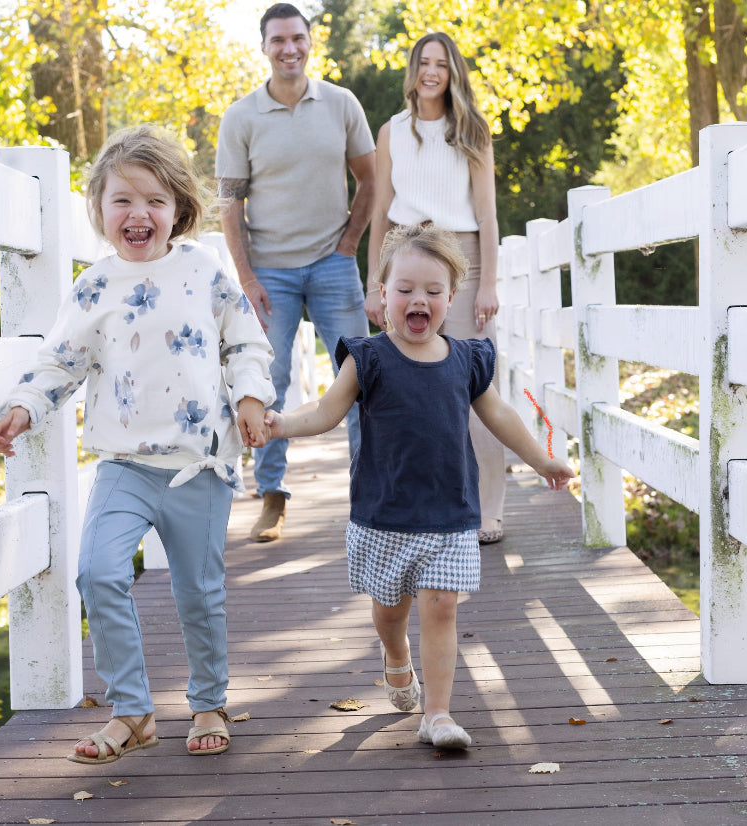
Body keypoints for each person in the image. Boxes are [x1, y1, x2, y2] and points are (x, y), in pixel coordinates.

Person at [0, 124, 275, 763]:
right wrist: (25, 405)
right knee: (98, 571)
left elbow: (245, 343)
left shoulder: (204, 271)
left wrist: (251, 398)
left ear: (178, 209)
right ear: (99, 208)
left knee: (199, 591)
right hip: (124, 465)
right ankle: (132, 710)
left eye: (154, 200)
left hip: (199, 465)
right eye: (122, 199)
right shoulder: (95, 285)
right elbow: (61, 360)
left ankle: (208, 702)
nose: (138, 213)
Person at [265, 225, 574, 749]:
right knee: (390, 612)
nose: (419, 300)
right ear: (383, 293)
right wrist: (281, 424)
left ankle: (437, 713)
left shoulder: (466, 359)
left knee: (441, 606)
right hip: (384, 512)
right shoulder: (367, 358)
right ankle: (395, 654)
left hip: (450, 513)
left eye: (433, 290)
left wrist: (541, 459)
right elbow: (324, 410)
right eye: (405, 288)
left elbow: (500, 415)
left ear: (450, 298)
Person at [215, 2, 376, 543]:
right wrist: (248, 278)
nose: (289, 49)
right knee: (267, 382)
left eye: (297, 38)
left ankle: (369, 494)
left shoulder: (341, 103)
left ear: (310, 41)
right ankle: (272, 496)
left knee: (362, 377)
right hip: (270, 274)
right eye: (278, 40)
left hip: (333, 266)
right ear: (264, 47)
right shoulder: (241, 117)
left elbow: (371, 180)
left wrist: (349, 244)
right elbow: (229, 206)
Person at [366, 32, 508, 545]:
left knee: (477, 383)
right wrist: (375, 283)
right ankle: (425, 505)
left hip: (462, 257)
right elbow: (381, 211)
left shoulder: (471, 130)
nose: (431, 72)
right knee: (410, 384)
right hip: (407, 255)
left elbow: (487, 214)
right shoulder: (392, 132)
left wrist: (487, 282)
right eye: (424, 62)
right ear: (413, 69)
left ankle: (489, 509)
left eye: (441, 65)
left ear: (453, 74)